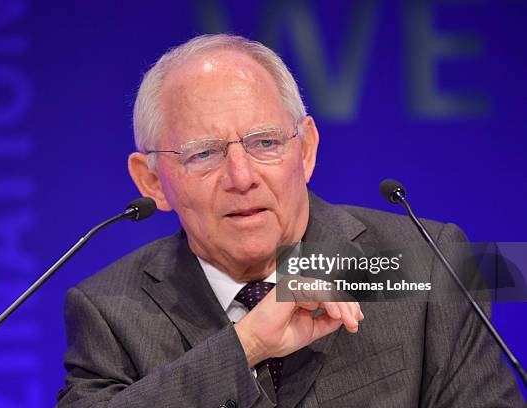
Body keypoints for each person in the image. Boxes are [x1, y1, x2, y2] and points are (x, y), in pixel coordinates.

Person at [57, 34, 525, 407]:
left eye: (265, 143)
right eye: (203, 154)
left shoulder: (425, 261)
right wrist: (244, 347)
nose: (241, 178)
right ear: (152, 181)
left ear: (305, 150)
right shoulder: (108, 309)